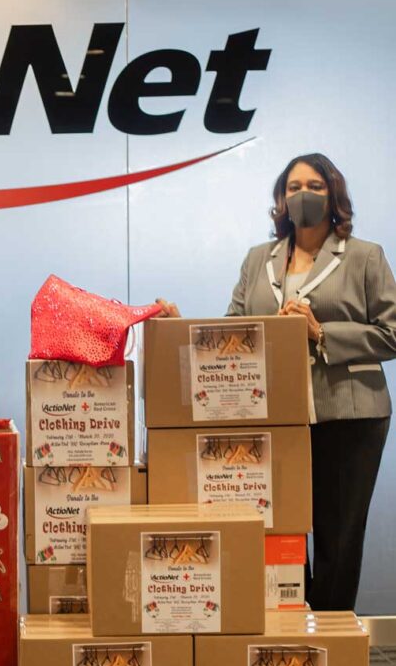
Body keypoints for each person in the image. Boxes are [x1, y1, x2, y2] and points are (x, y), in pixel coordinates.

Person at [158, 153, 396, 612]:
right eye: (292, 187)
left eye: (314, 185)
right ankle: (291, 629)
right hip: (276, 417)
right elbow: (233, 330)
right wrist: (179, 326)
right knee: (280, 530)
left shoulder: (365, 256)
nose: (302, 194)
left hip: (349, 415)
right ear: (280, 200)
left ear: (333, 195)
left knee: (338, 535)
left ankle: (329, 637)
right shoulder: (257, 260)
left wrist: (322, 333)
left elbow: (391, 333)